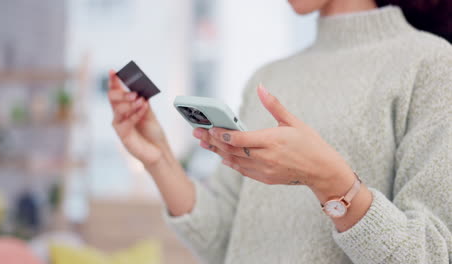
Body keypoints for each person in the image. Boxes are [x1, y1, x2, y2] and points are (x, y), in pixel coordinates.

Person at [107, 0, 451, 263]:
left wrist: (329, 181)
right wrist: (159, 156)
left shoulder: (432, 65)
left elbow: (430, 254)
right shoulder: (269, 78)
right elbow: (222, 240)